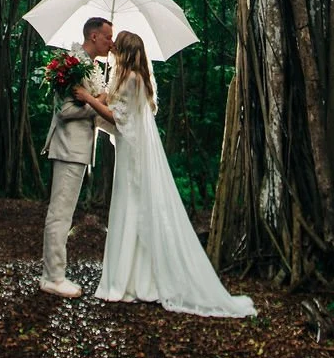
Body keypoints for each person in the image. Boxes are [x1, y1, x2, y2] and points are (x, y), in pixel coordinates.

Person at [88, 30, 255, 317]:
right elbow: (118, 114)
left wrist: (89, 101)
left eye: (117, 44)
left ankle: (135, 280)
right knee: (130, 207)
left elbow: (117, 118)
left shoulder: (131, 79)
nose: (112, 46)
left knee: (132, 207)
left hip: (134, 157)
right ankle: (133, 276)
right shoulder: (129, 78)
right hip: (131, 151)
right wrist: (101, 95)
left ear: (125, 50)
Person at [39, 16, 114, 297]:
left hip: (80, 149)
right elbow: (65, 111)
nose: (111, 42)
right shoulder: (70, 63)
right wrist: (99, 103)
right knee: (60, 214)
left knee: (66, 213)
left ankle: (55, 272)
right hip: (68, 147)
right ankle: (53, 277)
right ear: (94, 36)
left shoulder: (91, 66)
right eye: (108, 37)